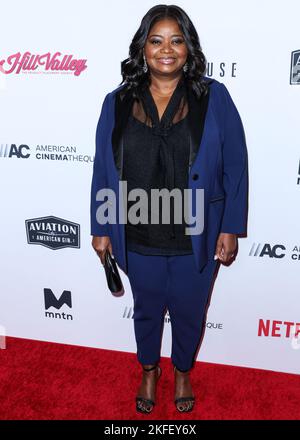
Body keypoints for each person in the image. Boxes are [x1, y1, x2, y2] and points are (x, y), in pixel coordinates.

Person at [91, 4, 248, 414]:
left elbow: (236, 164)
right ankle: (148, 368)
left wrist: (230, 226)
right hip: (138, 230)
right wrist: (101, 225)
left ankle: (181, 370)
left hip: (196, 233)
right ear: (142, 47)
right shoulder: (117, 101)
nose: (166, 49)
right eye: (156, 40)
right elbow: (103, 169)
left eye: (176, 40)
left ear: (188, 48)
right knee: (145, 309)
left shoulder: (214, 97)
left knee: (190, 311)